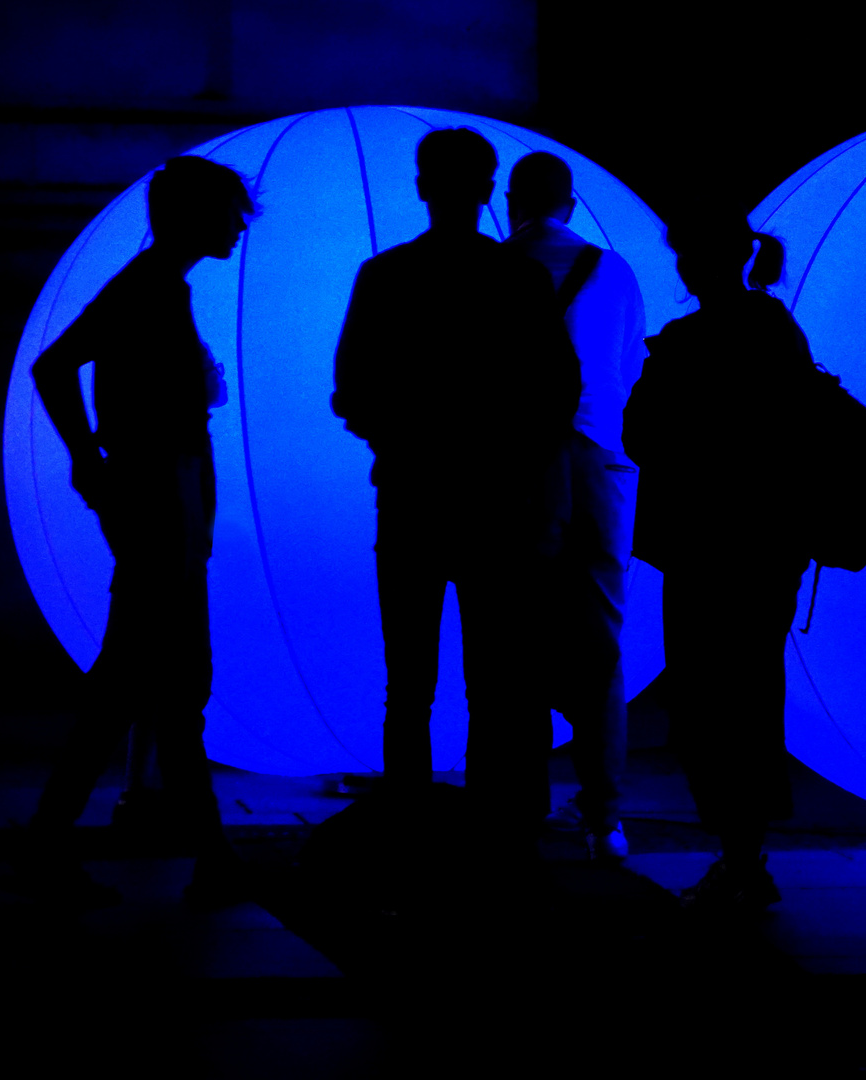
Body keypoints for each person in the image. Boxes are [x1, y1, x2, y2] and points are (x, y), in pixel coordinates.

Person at [10, 156, 252, 907]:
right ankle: (200, 857)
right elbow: (54, 367)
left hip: (160, 503)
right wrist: (91, 458)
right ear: (192, 216)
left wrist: (94, 459)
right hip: (161, 504)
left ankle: (193, 855)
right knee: (164, 684)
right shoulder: (150, 290)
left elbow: (59, 369)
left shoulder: (153, 287)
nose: (239, 225)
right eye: (228, 212)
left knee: (148, 685)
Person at [332, 128, 580, 848]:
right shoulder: (518, 280)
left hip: (410, 493)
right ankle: (488, 824)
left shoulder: (385, 276)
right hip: (495, 501)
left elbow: (350, 391)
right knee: (493, 676)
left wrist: (399, 437)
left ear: (421, 186)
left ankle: (408, 818)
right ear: (485, 188)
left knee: (407, 680)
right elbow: (558, 390)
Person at [622, 203, 814, 910]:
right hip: (767, 544)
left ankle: (735, 852)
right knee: (753, 692)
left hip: (702, 546)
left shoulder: (684, 343)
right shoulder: (775, 332)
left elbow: (639, 436)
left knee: (706, 697)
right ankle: (745, 851)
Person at [502, 152, 647, 861]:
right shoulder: (613, 271)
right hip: (598, 466)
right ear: (570, 202)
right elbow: (628, 375)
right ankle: (604, 814)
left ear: (511, 201)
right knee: (599, 644)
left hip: (515, 469)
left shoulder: (492, 271)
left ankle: (521, 805)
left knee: (515, 639)